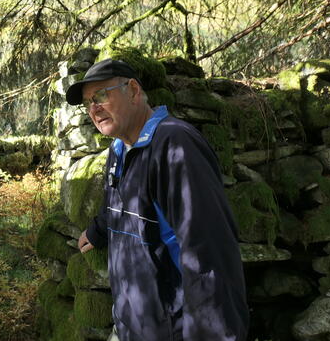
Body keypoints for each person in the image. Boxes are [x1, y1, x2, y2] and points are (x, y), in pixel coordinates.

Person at [65, 59, 249, 341]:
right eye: (88, 102)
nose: (94, 108)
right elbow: (124, 201)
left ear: (133, 90)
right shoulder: (119, 148)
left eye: (101, 95)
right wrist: (99, 229)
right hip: (134, 325)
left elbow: (209, 255)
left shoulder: (175, 145)